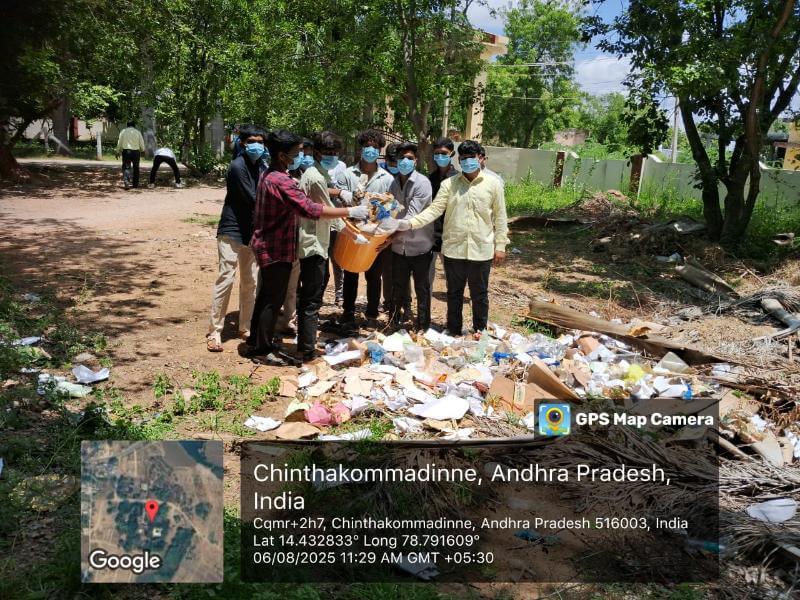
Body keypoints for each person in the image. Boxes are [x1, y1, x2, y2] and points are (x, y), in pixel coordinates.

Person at [248, 129, 368, 365]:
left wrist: (347, 227)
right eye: (295, 153)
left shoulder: (271, 175)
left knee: (267, 296)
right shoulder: (280, 180)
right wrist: (350, 211)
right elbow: (310, 209)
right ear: (282, 155)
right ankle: (262, 350)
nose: (299, 156)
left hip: (273, 244)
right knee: (272, 299)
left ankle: (257, 341)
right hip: (276, 247)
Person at [395, 140, 509, 334]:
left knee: (479, 294)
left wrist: (500, 246)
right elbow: (434, 210)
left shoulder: (493, 184)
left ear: (480, 158)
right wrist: (409, 223)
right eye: (463, 158)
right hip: (454, 249)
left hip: (481, 249)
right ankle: (454, 330)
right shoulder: (449, 184)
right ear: (459, 159)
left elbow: (500, 216)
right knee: (454, 293)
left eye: (471, 157)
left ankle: (479, 331)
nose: (467, 162)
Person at [206, 125, 268, 352]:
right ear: (242, 143)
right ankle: (214, 331)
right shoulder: (237, 166)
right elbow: (254, 199)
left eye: (260, 142)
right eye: (252, 141)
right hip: (231, 230)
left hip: (252, 231)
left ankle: (245, 326)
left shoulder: (261, 166)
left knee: (250, 281)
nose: (257, 145)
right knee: (226, 278)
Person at [294, 131, 346, 361]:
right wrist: (352, 229)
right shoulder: (315, 178)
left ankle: (307, 344)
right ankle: (306, 349)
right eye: (327, 152)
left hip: (318, 241)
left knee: (313, 294)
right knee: (312, 298)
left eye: (335, 152)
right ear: (316, 152)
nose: (331, 156)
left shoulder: (321, 174)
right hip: (312, 243)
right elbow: (327, 212)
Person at [335, 129, 394, 330]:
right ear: (361, 148)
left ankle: (371, 314)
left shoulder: (387, 178)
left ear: (380, 150)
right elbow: (338, 204)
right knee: (350, 271)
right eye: (367, 146)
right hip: (352, 230)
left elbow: (391, 208)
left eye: (375, 147)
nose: (370, 150)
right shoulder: (347, 175)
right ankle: (348, 313)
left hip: (376, 233)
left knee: (374, 275)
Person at [389, 142, 434, 332]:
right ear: (396, 160)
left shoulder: (422, 183)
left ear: (416, 161)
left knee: (422, 288)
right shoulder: (393, 183)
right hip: (399, 246)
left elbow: (411, 217)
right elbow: (389, 211)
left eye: (409, 158)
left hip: (420, 246)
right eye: (402, 158)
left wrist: (388, 236)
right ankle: (393, 323)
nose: (405, 161)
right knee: (397, 287)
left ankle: (423, 326)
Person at [428, 137, 457, 286]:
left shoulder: (458, 179)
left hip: (451, 236)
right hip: (432, 234)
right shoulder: (430, 179)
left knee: (453, 279)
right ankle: (425, 302)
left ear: (452, 153)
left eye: (444, 153)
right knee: (426, 277)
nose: (440, 156)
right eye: (437, 153)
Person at [116, 120, 145, 189]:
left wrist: (117, 151)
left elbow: (119, 142)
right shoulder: (138, 132)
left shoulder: (123, 131)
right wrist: (142, 150)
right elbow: (141, 143)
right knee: (136, 168)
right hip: (136, 152)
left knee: (126, 167)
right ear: (134, 126)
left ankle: (127, 182)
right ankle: (135, 185)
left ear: (127, 125)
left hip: (126, 152)